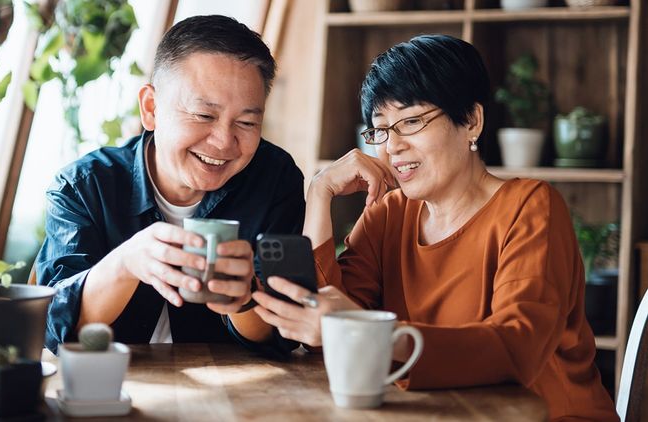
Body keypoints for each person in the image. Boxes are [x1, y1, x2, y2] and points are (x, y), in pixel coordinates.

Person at [251, 35, 619, 420]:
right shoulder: (388, 214)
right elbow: (324, 338)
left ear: (471, 121)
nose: (392, 146)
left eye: (410, 121)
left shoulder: (530, 207)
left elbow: (516, 347)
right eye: (380, 129)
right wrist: (320, 192)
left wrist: (371, 335)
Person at [36, 15, 304, 357]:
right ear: (151, 108)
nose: (224, 142)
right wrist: (127, 262)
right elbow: (57, 331)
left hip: (232, 396)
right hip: (111, 386)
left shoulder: (274, 179)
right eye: (204, 116)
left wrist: (244, 299)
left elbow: (282, 334)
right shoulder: (84, 187)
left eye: (247, 122)